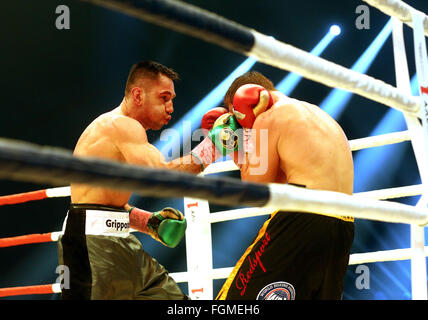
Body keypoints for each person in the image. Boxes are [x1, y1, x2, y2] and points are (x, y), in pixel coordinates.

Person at [58, 61, 228, 300]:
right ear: (138, 95)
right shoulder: (120, 125)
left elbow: (105, 202)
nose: (170, 107)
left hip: (121, 244)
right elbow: (162, 176)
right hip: (91, 247)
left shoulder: (122, 133)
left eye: (172, 99)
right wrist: (213, 147)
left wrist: (148, 222)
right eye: (164, 98)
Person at [212, 71, 355, 300]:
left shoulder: (269, 119)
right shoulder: (318, 114)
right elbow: (276, 180)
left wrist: (232, 146)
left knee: (237, 299)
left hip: (303, 216)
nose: (242, 125)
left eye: (236, 116)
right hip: (344, 224)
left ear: (245, 99)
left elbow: (254, 191)